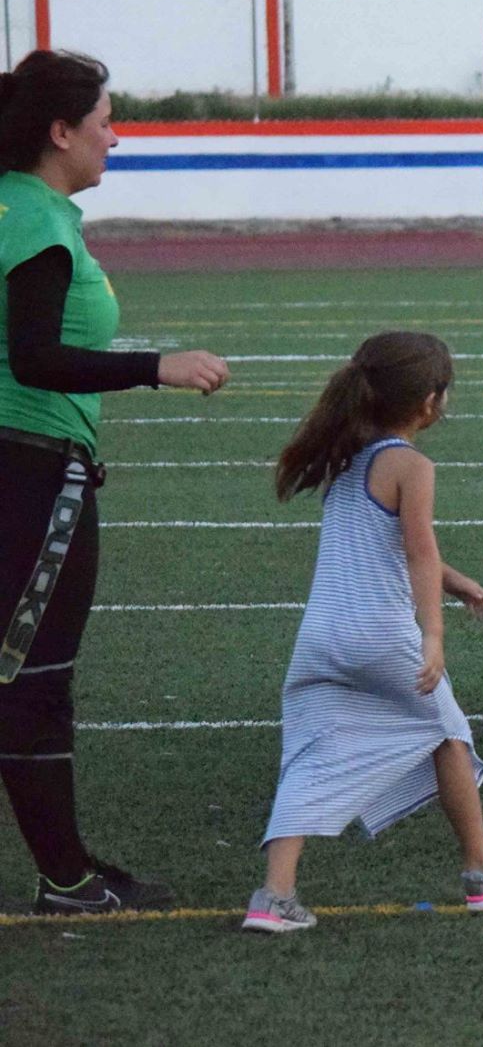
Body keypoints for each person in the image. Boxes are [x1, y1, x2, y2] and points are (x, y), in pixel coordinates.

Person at [0, 49, 229, 915]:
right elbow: (35, 356)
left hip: (21, 468)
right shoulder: (37, 224)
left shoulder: (16, 205)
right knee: (33, 683)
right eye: (104, 121)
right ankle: (67, 880)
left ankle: (69, 864)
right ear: (60, 132)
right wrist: (154, 367)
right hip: (29, 476)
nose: (115, 137)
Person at [246, 333, 483, 933]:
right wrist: (432, 637)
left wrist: (454, 580)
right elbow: (416, 552)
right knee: (448, 735)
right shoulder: (411, 465)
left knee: (307, 757)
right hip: (382, 638)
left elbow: (383, 545)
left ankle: (273, 896)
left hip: (321, 641)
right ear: (429, 403)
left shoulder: (345, 461)